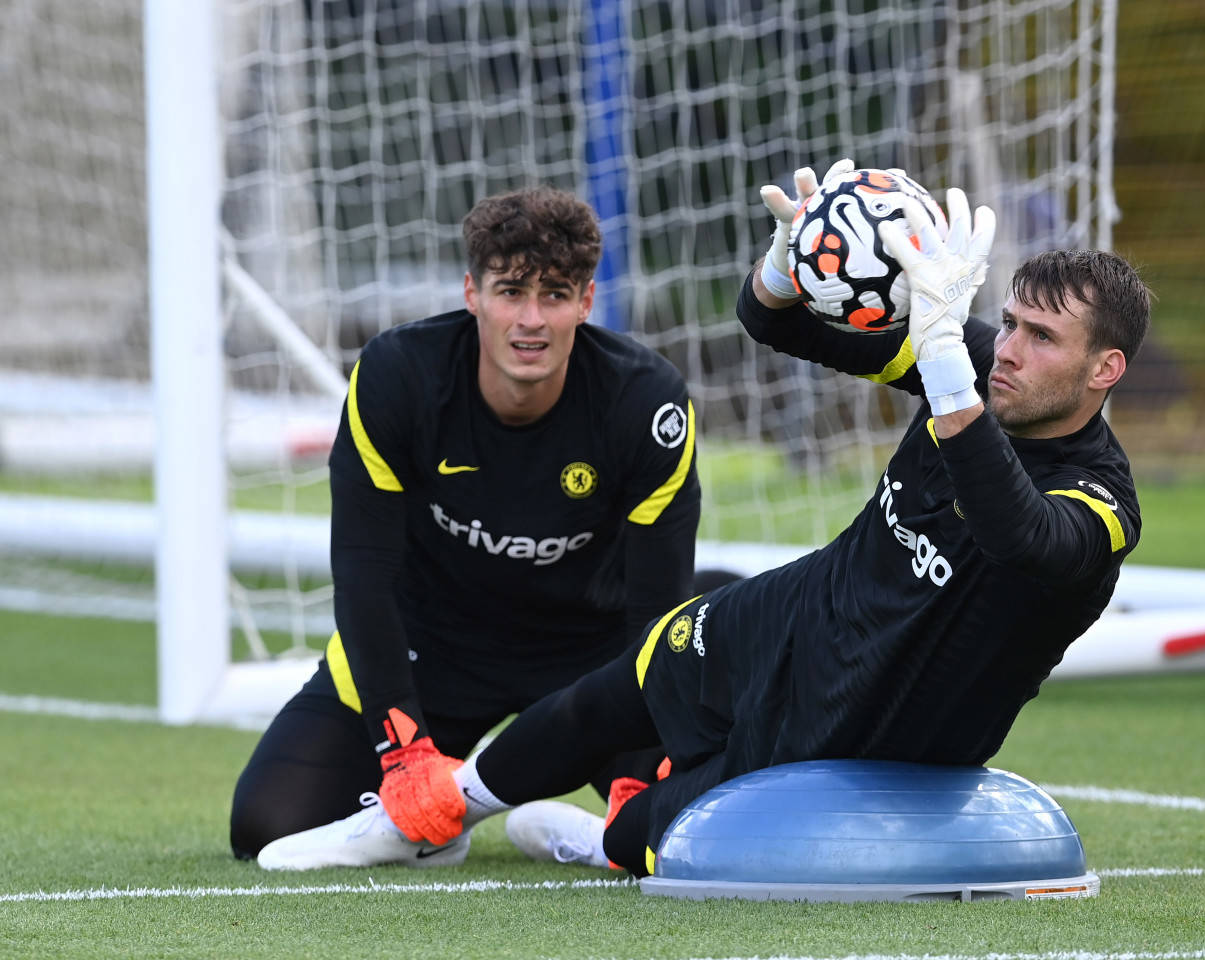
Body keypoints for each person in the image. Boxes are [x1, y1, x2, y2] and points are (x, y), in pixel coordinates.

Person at [255, 160, 1151, 876]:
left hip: (886, 705)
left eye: (1044, 339)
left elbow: (1015, 533)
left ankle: (593, 838)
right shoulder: (975, 362)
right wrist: (787, 262)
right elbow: (775, 326)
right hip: (809, 608)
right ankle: (432, 814)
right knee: (640, 671)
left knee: (648, 835)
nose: (1013, 351)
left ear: (1104, 369)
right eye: (1013, 323)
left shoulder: (1099, 502)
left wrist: (949, 360)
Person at [230, 186, 701, 865]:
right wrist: (403, 749)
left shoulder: (646, 404)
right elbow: (364, 572)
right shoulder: (397, 377)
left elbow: (657, 607)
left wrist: (645, 761)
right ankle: (432, 821)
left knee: (684, 828)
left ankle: (577, 833)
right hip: (433, 646)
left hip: (588, 660)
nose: (530, 320)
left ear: (587, 303)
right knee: (267, 823)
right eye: (510, 291)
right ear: (471, 293)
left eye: (556, 295)